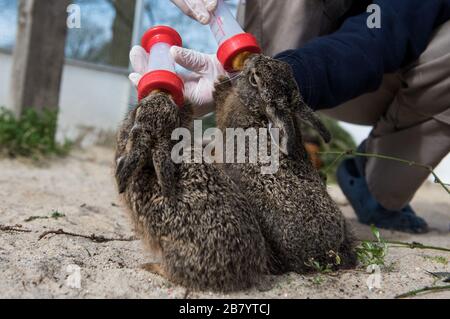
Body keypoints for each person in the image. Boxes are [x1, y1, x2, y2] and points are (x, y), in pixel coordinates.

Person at [129, 0, 450, 233]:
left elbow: (378, 34)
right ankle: (260, 160)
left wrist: (275, 77)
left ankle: (373, 181)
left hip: (372, 68)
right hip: (306, 38)